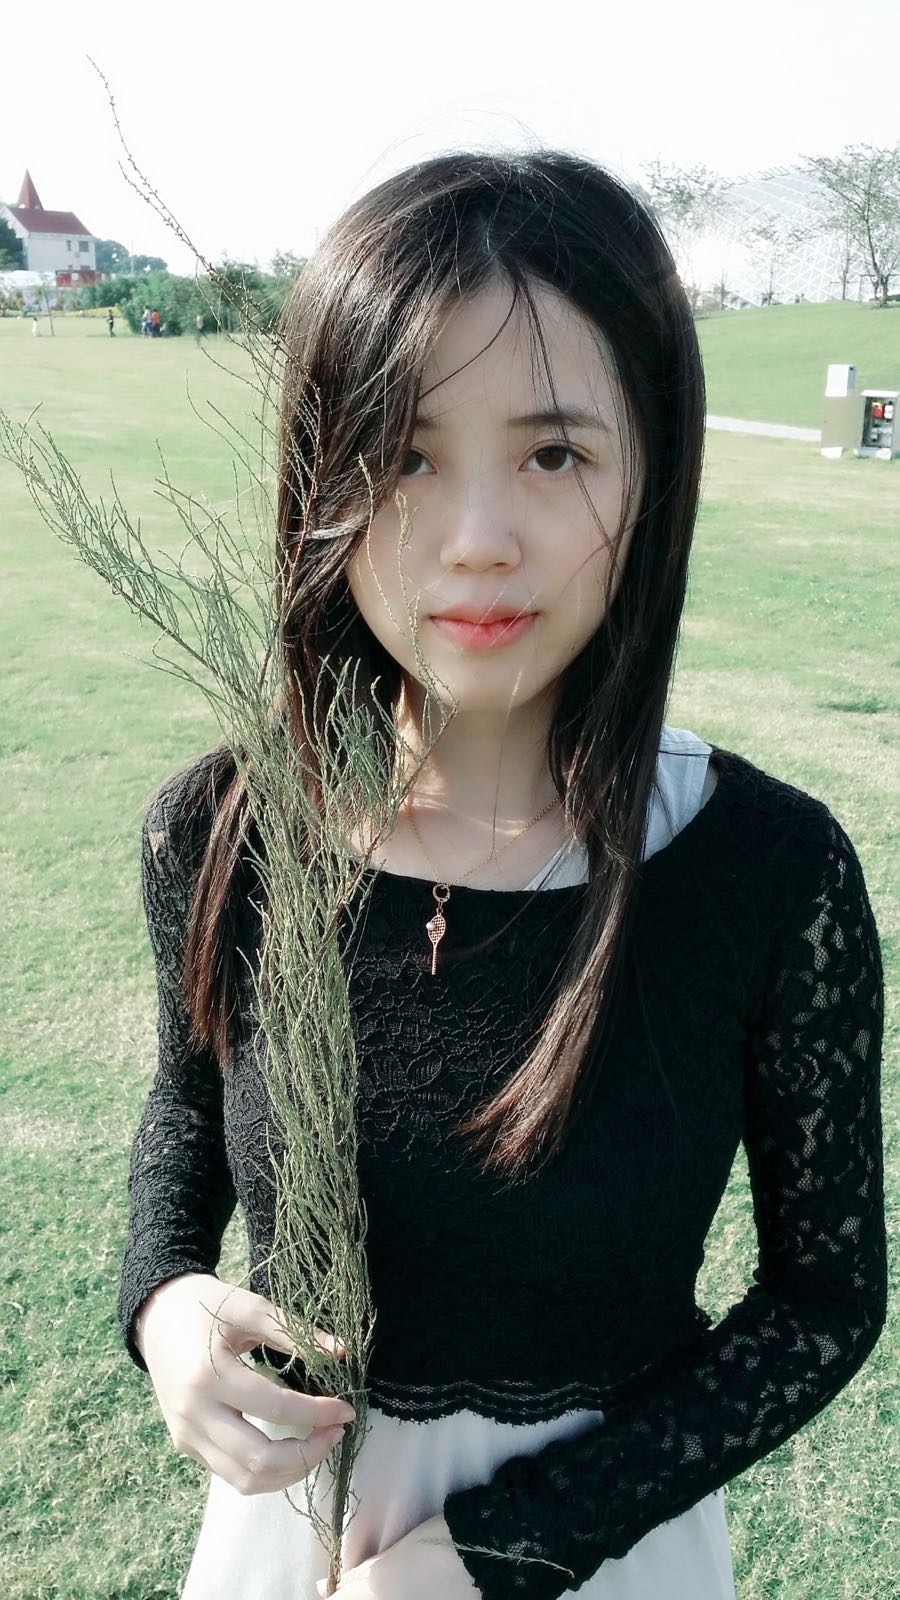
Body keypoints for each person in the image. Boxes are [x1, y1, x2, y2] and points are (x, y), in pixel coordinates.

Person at [117, 151, 887, 1600]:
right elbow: (186, 1110)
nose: (475, 542)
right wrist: (162, 1304)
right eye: (405, 455)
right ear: (321, 480)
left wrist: (498, 1552)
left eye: (553, 455)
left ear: (651, 469)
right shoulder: (223, 831)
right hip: (290, 1550)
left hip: (607, 1558)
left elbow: (824, 1301)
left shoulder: (768, 876)